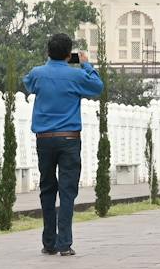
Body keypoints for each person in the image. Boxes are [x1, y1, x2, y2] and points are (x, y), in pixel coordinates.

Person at [21, 33, 103, 257]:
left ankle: (49, 242)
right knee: (67, 191)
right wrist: (86, 65)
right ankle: (65, 243)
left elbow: (28, 84)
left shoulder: (38, 73)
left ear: (48, 51)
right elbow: (97, 87)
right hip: (69, 139)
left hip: (45, 139)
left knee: (47, 188)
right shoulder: (76, 75)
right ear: (70, 55)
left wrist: (48, 65)